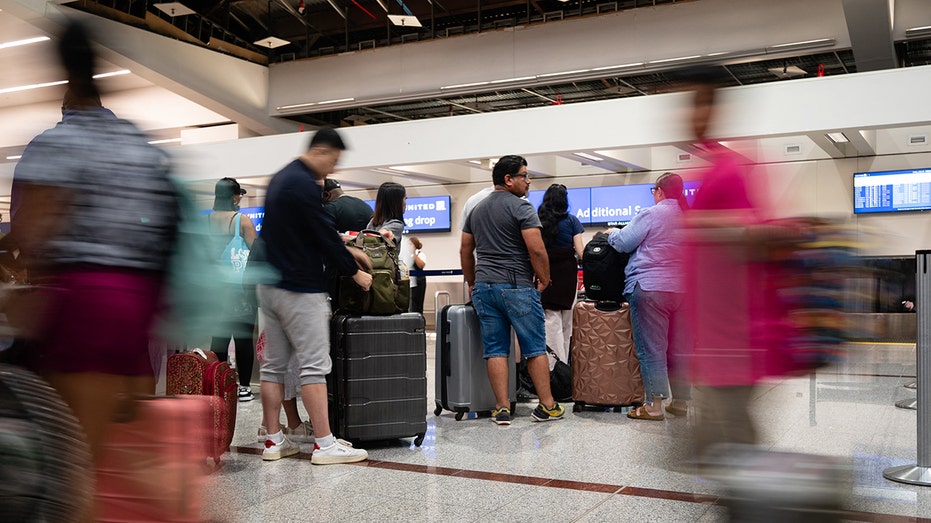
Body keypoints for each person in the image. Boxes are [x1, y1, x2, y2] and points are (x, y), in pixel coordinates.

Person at [9, 21, 179, 520]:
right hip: (141, 307)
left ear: (63, 79)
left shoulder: (54, 144)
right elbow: (165, 227)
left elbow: (30, 230)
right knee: (128, 445)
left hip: (85, 303)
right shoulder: (137, 144)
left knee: (75, 461)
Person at [257, 126, 372, 464]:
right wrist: (355, 271)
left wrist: (347, 247)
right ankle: (324, 443)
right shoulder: (303, 185)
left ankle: (273, 440)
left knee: (273, 367)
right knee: (314, 367)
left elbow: (307, 230)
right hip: (299, 288)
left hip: (271, 285)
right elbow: (321, 234)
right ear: (321, 151)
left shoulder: (280, 178)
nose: (333, 169)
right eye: (333, 161)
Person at [460, 154, 564, 425]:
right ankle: (547, 406)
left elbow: (465, 250)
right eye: (524, 176)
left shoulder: (476, 209)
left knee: (495, 348)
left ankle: (502, 408)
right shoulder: (522, 207)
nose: (528, 181)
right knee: (534, 347)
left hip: (484, 286)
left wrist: (473, 281)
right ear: (508, 179)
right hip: (517, 285)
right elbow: (536, 249)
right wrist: (544, 277)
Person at [607, 172, 690, 421]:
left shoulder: (652, 214)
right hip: (685, 290)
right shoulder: (690, 217)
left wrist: (611, 233)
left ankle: (654, 406)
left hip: (651, 287)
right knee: (680, 349)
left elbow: (623, 242)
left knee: (653, 349)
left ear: (659, 191)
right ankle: (682, 402)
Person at [207, 177, 258, 402]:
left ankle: (219, 383)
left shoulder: (206, 220)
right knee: (243, 339)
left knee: (217, 340)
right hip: (240, 290)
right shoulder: (241, 221)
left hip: (214, 290)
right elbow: (256, 253)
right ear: (235, 196)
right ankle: (244, 387)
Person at [537, 184, 584, 369]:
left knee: (550, 320)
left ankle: (553, 367)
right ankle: (565, 369)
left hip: (546, 272)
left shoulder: (539, 221)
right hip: (567, 273)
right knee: (567, 321)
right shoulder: (572, 221)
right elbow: (580, 252)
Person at [401, 236, 427, 313]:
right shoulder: (405, 256)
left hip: (419, 281)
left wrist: (413, 254)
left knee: (418, 302)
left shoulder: (420, 254)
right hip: (409, 281)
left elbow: (421, 265)